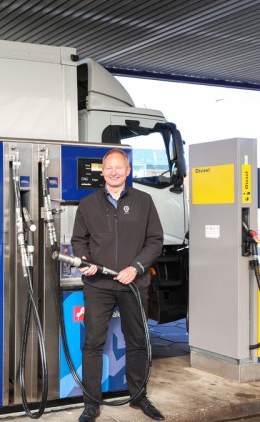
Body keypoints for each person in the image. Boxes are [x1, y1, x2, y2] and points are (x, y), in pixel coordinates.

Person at [71, 148, 165, 422]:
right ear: (102, 171)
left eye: (118, 167)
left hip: (133, 284)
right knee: (92, 343)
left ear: (127, 171)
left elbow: (155, 241)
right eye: (108, 167)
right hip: (98, 284)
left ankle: (139, 397)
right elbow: (79, 240)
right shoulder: (88, 204)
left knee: (137, 341)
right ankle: (91, 403)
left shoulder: (144, 201)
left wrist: (135, 268)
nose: (113, 172)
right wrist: (84, 260)